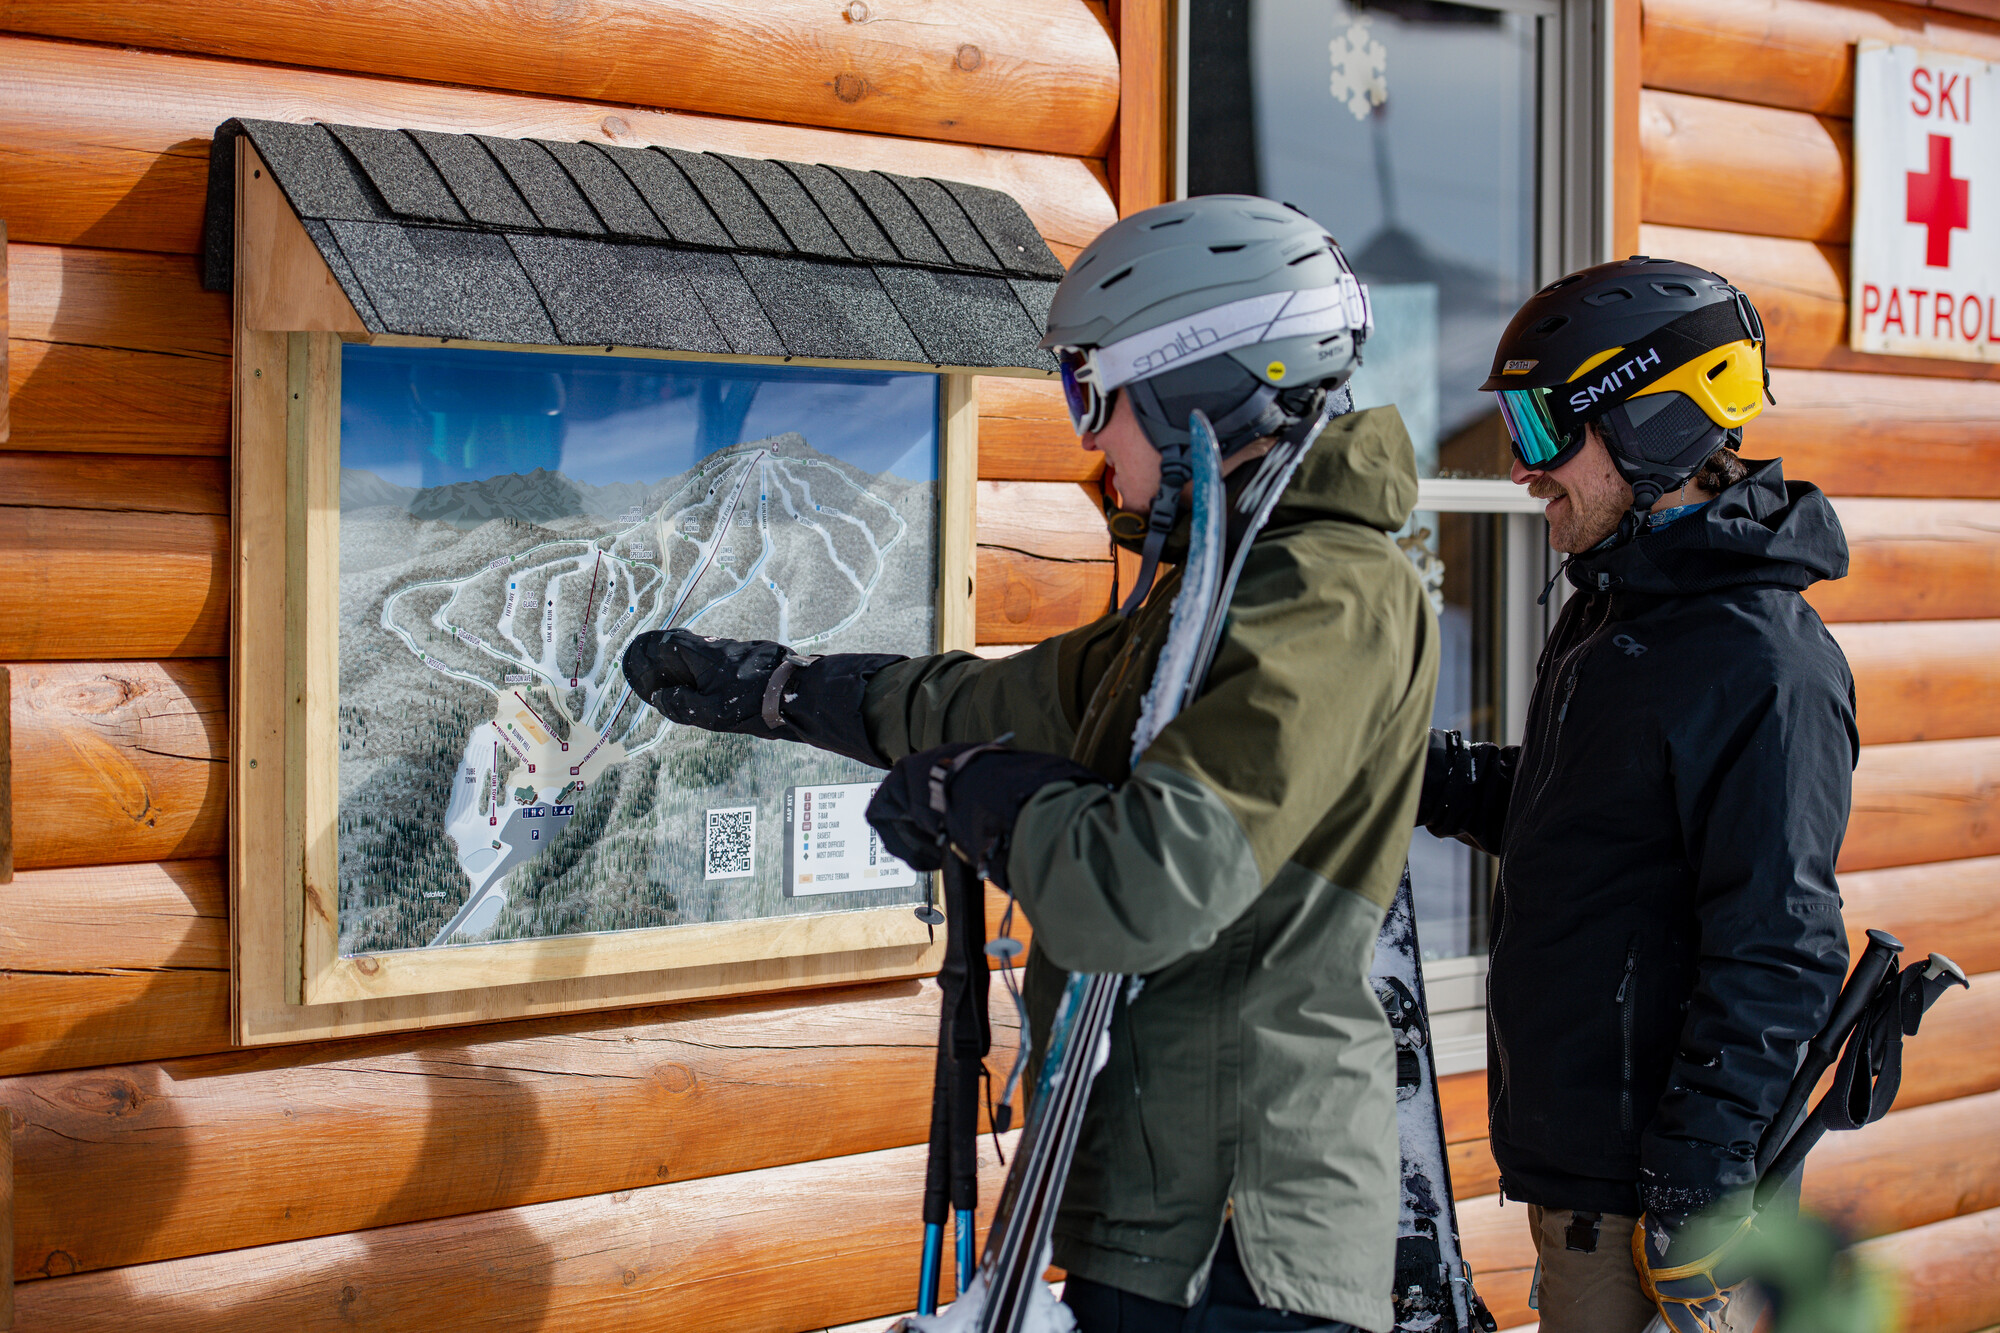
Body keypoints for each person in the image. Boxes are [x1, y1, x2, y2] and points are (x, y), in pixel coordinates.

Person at [621, 195, 1437, 1333]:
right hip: (1157, 1210)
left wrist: (991, 804)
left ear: (1192, 384)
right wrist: (787, 690)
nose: (1089, 434)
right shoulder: (1206, 598)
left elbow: (1146, 887)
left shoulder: (1326, 596)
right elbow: (1000, 703)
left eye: (1092, 393)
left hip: (1246, 1240)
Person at [1418, 257, 1858, 1333]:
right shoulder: (1624, 614)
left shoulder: (1759, 662)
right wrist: (1428, 778)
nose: (1526, 473)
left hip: (1648, 1205)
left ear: (1651, 422)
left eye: (1539, 431)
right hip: (1584, 1179)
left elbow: (1780, 941)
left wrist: (1693, 1186)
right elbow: (1589, 815)